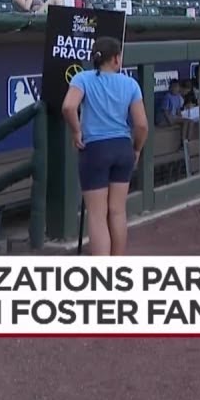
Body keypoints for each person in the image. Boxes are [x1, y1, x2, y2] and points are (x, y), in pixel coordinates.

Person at [61, 37, 148, 256]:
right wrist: (136, 149)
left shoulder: (83, 78)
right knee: (118, 211)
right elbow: (141, 125)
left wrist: (76, 131)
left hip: (95, 150)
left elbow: (69, 107)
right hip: (122, 148)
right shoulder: (130, 84)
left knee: (97, 215)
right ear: (116, 58)